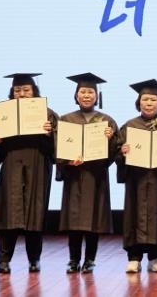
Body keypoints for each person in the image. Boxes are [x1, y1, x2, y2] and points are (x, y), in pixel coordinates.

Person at [0, 73, 58, 273]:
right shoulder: (4, 114)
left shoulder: (48, 114)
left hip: (38, 166)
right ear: (12, 92)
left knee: (34, 214)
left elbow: (58, 146)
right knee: (9, 214)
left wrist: (49, 134)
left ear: (34, 91)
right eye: (17, 90)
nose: (22, 94)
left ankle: (34, 259)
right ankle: (4, 260)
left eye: (26, 90)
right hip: (12, 165)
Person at [117, 79, 157, 273]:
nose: (149, 103)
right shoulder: (129, 126)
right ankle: (134, 258)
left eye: (153, 100)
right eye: (145, 99)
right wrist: (122, 151)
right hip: (136, 180)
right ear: (139, 103)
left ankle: (155, 258)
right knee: (134, 216)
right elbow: (117, 151)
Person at [57, 73, 119, 274]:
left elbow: (115, 153)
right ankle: (73, 260)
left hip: (96, 177)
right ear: (76, 95)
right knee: (74, 221)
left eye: (90, 92)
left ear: (97, 96)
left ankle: (90, 260)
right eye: (82, 92)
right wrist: (67, 161)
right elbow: (58, 148)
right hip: (74, 177)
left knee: (94, 221)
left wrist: (111, 139)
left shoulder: (106, 121)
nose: (86, 95)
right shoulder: (66, 120)